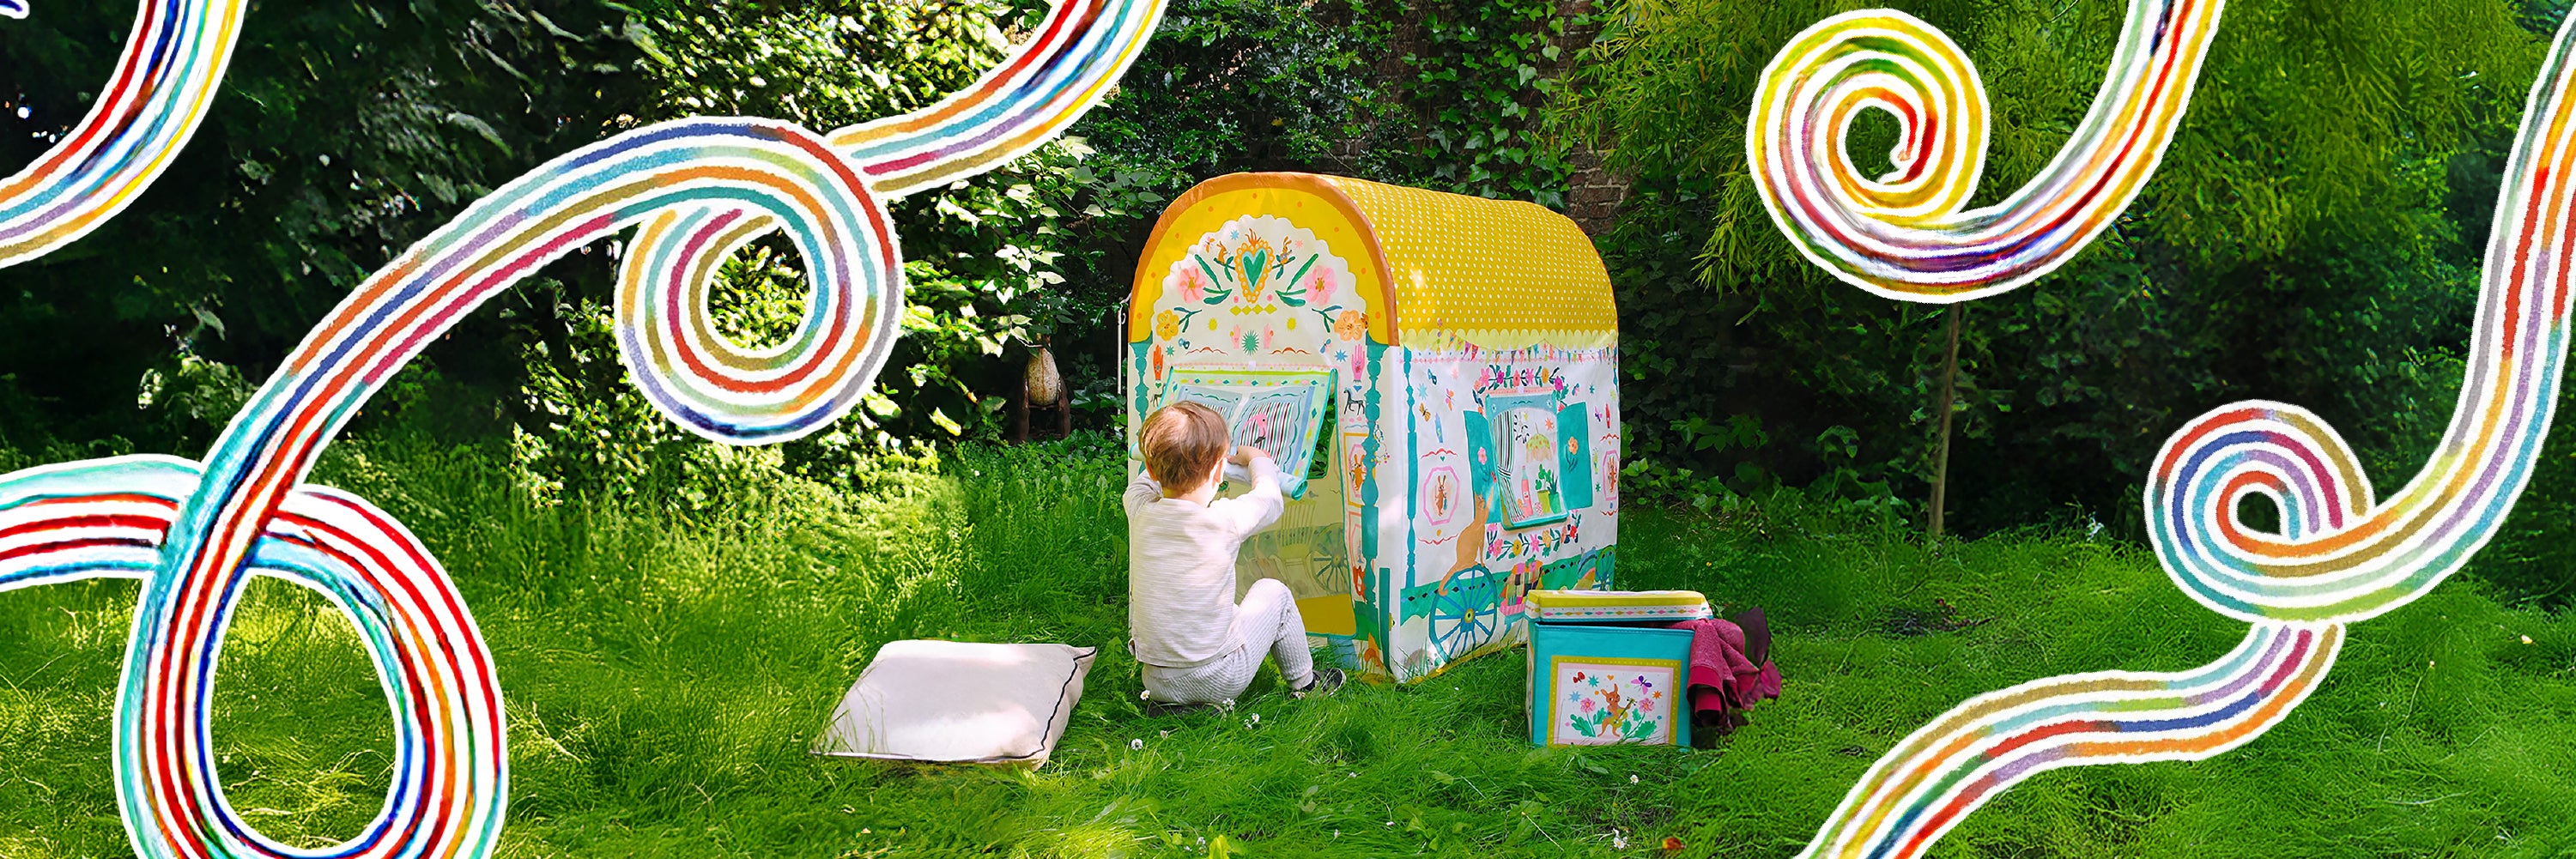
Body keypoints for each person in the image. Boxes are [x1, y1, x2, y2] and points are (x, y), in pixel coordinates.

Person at [1126, 401, 1344, 712]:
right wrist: (1259, 461)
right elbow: (1270, 499)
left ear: (1150, 468)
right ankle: (1307, 685)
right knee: (1275, 593)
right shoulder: (1223, 520)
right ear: (1218, 471)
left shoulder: (1140, 510)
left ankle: (1179, 706)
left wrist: (1161, 458)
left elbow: (1146, 481)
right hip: (1221, 678)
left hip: (1156, 680)